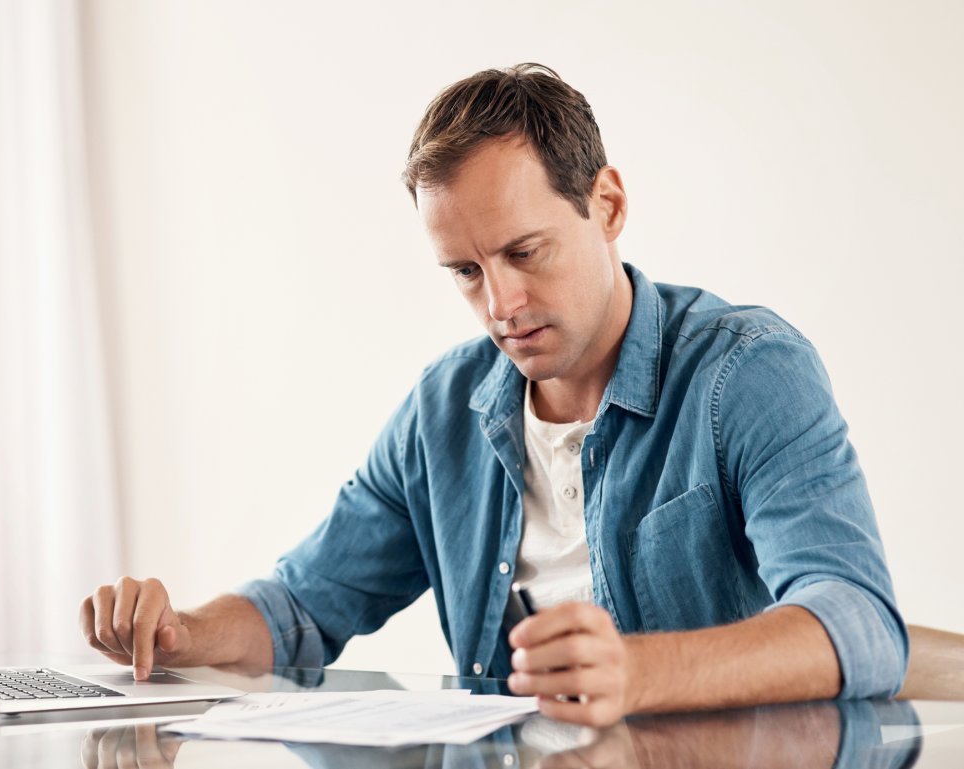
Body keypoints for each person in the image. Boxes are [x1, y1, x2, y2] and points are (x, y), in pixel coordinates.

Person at [79, 63, 907, 727]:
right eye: (467, 272)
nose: (501, 306)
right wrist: (181, 632)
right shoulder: (446, 409)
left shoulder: (746, 371)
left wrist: (639, 670)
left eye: (525, 251)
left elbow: (859, 621)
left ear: (607, 205)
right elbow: (301, 606)